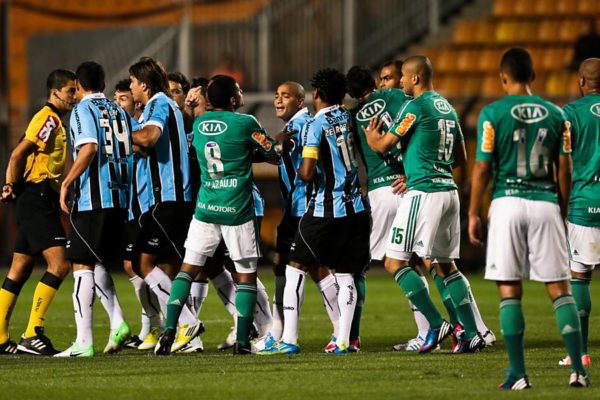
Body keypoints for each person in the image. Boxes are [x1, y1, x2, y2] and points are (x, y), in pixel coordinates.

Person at [468, 47, 590, 389]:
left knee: (510, 291)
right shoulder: (556, 115)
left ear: (503, 77)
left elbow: (481, 167)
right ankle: (578, 371)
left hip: (507, 203)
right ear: (533, 76)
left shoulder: (492, 113)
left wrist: (473, 211)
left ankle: (519, 374)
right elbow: (564, 166)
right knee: (560, 289)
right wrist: (563, 207)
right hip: (545, 203)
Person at [364, 55, 484, 354]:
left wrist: (370, 138)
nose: (401, 81)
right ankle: (471, 333)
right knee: (445, 266)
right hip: (449, 192)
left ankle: (436, 323)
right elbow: (460, 158)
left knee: (394, 261)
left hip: (424, 193)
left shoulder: (414, 107)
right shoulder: (448, 108)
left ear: (415, 78)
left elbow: (383, 145)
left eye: (403, 76)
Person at [153, 75, 278, 355]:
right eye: (239, 90)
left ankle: (170, 330)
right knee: (245, 276)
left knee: (187, 270)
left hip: (206, 207)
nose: (242, 92)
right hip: (237, 208)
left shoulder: (198, 124)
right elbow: (272, 153)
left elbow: (197, 148)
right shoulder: (246, 123)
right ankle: (243, 340)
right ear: (233, 99)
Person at [259, 68, 370, 355]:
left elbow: (307, 172)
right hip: (355, 205)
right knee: (345, 274)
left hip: (324, 206)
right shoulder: (348, 116)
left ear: (315, 95)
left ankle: (289, 339)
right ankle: (343, 340)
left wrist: (297, 160)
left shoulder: (314, 125)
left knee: (295, 266)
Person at [55, 61, 132, 357]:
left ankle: (83, 342)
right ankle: (118, 321)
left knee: (81, 266)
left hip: (93, 199)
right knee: (96, 261)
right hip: (120, 198)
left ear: (78, 86)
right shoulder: (118, 110)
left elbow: (88, 148)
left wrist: (67, 182)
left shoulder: (81, 110)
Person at [0, 69, 76, 355]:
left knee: (20, 267)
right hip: (36, 196)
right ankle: (33, 333)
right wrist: (11, 184)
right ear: (55, 92)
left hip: (34, 196)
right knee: (59, 265)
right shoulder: (49, 118)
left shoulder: (53, 119)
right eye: (69, 91)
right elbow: (18, 153)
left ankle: (0, 336)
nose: (73, 97)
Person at [129, 57, 201, 353]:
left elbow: (148, 138)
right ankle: (191, 339)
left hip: (166, 198)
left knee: (141, 263)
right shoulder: (165, 106)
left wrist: (119, 131)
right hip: (176, 198)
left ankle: (187, 321)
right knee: (169, 267)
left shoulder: (159, 103)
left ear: (143, 84)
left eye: (133, 82)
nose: (131, 87)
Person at [558, 58, 600, 368]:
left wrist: (563, 202)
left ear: (581, 81)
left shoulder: (570, 113)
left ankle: (581, 352)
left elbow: (563, 164)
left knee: (580, 275)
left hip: (584, 202)